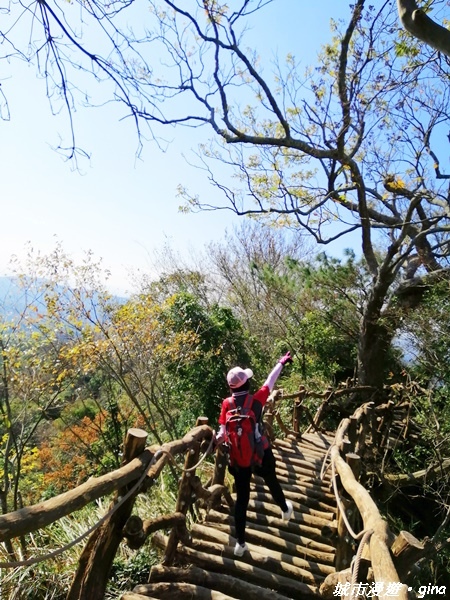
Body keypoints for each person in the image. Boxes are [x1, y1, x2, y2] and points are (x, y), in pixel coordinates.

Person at [215, 351, 294, 557]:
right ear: (245, 384)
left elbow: (222, 432)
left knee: (242, 499)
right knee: (271, 480)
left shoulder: (226, 404)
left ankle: (240, 544)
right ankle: (285, 509)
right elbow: (271, 380)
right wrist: (281, 363)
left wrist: (215, 441)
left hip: (238, 459)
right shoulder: (256, 400)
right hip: (260, 453)